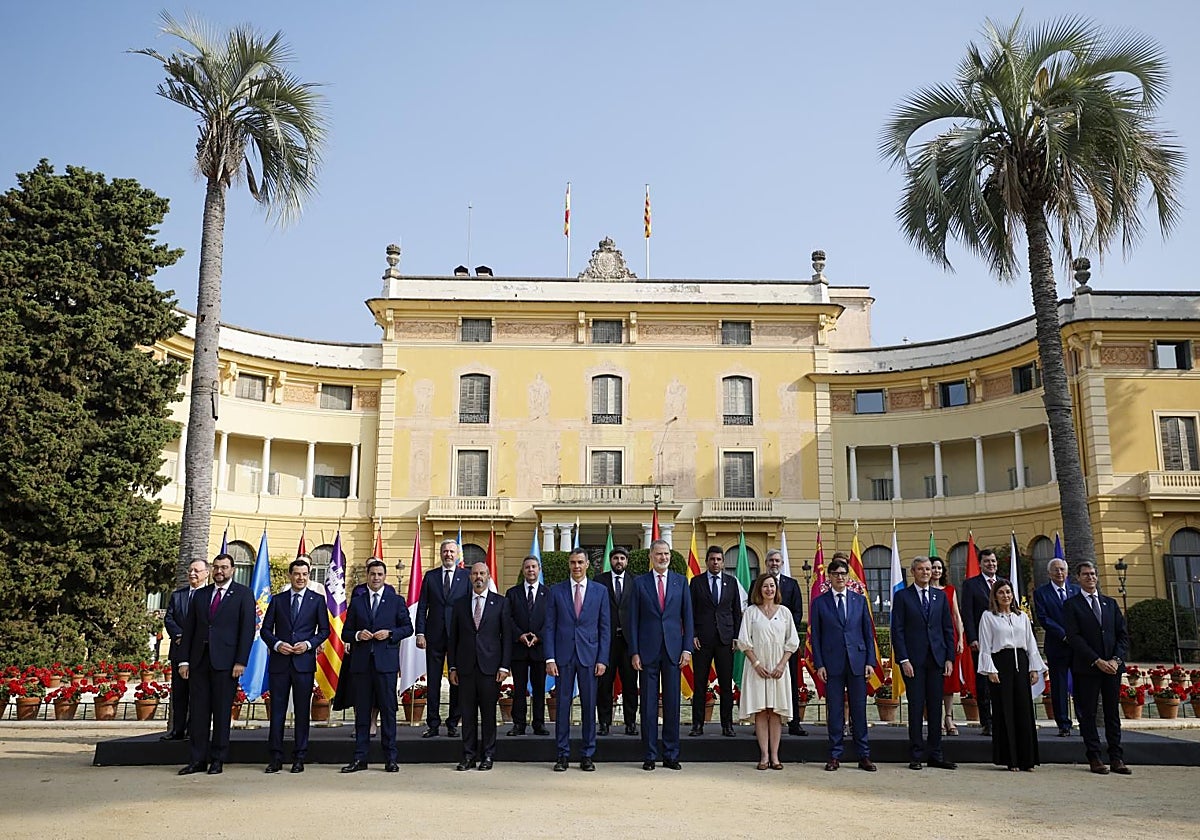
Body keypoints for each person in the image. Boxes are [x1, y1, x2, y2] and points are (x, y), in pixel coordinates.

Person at [177, 553, 256, 775]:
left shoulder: (243, 594)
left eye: (224, 567)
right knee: (199, 713)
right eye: (216, 567)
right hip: (199, 662)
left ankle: (218, 759)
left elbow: (247, 630)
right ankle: (196, 760)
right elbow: (190, 629)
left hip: (227, 663)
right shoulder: (201, 595)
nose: (219, 571)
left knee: (222, 713)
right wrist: (184, 660)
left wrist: (241, 661)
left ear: (232, 570)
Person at [340, 559, 414, 773]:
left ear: (385, 576)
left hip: (386, 665)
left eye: (379, 574)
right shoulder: (358, 601)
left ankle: (390, 758)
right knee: (362, 712)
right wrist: (356, 635)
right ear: (367, 576)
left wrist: (390, 633)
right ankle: (359, 758)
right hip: (362, 664)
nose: (376, 578)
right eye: (372, 574)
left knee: (389, 712)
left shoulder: (395, 601)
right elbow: (345, 632)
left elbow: (407, 628)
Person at [259, 556, 330, 774]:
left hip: (303, 664)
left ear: (309, 577)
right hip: (280, 664)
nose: (300, 578)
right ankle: (275, 757)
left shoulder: (317, 600)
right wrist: (278, 644)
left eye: (304, 574)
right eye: (297, 574)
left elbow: (325, 631)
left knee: (301, 712)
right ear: (290, 576)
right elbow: (265, 630)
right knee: (278, 712)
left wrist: (309, 644)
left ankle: (299, 757)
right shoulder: (278, 600)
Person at [629, 539, 693, 771]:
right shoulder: (639, 583)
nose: (663, 558)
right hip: (647, 652)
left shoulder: (681, 582)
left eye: (666, 554)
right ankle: (649, 755)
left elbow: (688, 618)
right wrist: (634, 651)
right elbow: (632, 621)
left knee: (672, 704)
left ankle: (671, 754)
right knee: (647, 705)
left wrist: (687, 649)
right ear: (651, 556)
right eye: (658, 554)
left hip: (674, 651)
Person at [544, 548, 611, 771]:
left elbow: (605, 628)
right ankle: (562, 754)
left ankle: (587, 755)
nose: (577, 566)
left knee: (589, 706)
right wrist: (550, 658)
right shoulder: (556, 591)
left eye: (580, 562)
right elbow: (550, 626)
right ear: (569, 565)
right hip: (563, 656)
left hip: (590, 656)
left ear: (587, 565)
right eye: (573, 562)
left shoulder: (600, 591)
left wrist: (602, 659)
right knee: (562, 706)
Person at [809, 557, 877, 772]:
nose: (840, 577)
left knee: (859, 711)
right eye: (836, 574)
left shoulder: (859, 600)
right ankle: (835, 755)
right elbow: (816, 638)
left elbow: (868, 633)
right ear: (829, 577)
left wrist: (870, 662)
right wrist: (819, 664)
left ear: (848, 577)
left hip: (857, 662)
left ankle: (863, 755)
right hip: (832, 664)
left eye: (843, 574)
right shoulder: (820, 602)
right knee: (835, 712)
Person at [1064, 560, 1131, 775]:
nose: (1090, 578)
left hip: (1112, 668)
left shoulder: (1110, 604)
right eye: (1085, 574)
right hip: (1088, 668)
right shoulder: (1072, 605)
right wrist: (1096, 660)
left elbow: (1122, 636)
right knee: (1089, 713)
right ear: (1077, 578)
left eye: (1093, 574)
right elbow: (1074, 638)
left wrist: (1115, 660)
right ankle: (1094, 756)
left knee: (1112, 713)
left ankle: (1116, 757)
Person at [891, 555, 956, 771]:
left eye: (928, 569)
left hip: (937, 659)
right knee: (916, 707)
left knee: (936, 707)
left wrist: (949, 658)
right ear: (913, 572)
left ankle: (936, 753)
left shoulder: (940, 596)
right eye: (921, 569)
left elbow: (948, 629)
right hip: (913, 661)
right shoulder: (902, 597)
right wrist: (903, 659)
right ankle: (916, 754)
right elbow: (897, 631)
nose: (926, 573)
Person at [448, 562, 512, 771]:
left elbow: (506, 638)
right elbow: (453, 638)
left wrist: (504, 667)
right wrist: (453, 667)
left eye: (482, 573)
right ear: (470, 577)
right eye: (474, 573)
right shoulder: (459, 604)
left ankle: (488, 755)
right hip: (466, 668)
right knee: (467, 715)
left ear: (488, 576)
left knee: (488, 714)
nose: (478, 577)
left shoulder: (500, 603)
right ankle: (468, 756)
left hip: (490, 669)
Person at [977, 578, 1044, 772]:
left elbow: (1031, 644)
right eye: (1001, 592)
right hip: (1001, 664)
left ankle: (1027, 759)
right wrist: (990, 669)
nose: (1005, 595)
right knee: (1004, 710)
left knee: (1024, 709)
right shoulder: (988, 616)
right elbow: (985, 646)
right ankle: (1011, 759)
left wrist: (1034, 668)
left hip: (1021, 663)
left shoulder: (1022, 617)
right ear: (995, 596)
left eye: (1008, 592)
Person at [736, 573, 801, 770]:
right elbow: (744, 641)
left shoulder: (785, 613)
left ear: (776, 589)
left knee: (775, 712)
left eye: (772, 586)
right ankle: (764, 756)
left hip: (778, 669)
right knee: (762, 711)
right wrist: (756, 664)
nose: (769, 589)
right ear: (759, 589)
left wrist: (782, 665)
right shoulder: (750, 613)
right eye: (765, 586)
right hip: (757, 668)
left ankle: (775, 756)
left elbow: (792, 642)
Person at [415, 539, 470, 738]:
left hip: (458, 637)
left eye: (451, 552)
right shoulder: (430, 577)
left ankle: (453, 722)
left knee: (457, 680)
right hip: (434, 636)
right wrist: (419, 633)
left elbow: (471, 607)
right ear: (440, 554)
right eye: (445, 551)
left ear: (457, 556)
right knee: (434, 681)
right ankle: (433, 723)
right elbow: (422, 607)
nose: (448, 554)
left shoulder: (466, 577)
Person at [689, 545, 743, 737]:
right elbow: (690, 612)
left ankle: (727, 725)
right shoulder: (696, 582)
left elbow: (736, 611)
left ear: (723, 562)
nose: (715, 562)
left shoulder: (731, 582)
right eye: (712, 559)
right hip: (702, 641)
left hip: (725, 640)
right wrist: (692, 635)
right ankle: (697, 724)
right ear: (707, 561)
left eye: (719, 559)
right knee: (700, 684)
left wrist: (737, 636)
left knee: (726, 685)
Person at [161, 557, 208, 741]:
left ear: (206, 573)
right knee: (179, 694)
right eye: (190, 570)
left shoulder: (210, 596)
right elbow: (169, 618)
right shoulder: (178, 595)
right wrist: (180, 636)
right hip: (179, 650)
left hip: (201, 653)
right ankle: (177, 730)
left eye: (197, 570)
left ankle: (194, 730)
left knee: (198, 694)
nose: (192, 574)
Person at [1033, 558, 1080, 736]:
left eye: (1062, 570)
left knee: (1081, 686)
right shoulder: (1041, 593)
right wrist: (1064, 635)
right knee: (1059, 687)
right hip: (1056, 646)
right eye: (1056, 570)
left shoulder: (1076, 591)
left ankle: (1084, 721)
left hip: (1077, 647)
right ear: (1049, 573)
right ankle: (1063, 724)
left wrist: (1076, 637)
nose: (1059, 573)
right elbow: (1044, 618)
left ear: (1067, 573)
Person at [595, 545, 639, 735]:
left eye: (622, 558)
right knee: (605, 684)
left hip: (629, 642)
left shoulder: (635, 582)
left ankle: (630, 722)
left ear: (626, 562)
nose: (619, 561)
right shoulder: (599, 581)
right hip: (607, 641)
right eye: (615, 558)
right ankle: (604, 723)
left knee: (630, 684)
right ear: (610, 561)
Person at [504, 555, 549, 736]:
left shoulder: (548, 593)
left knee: (539, 688)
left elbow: (551, 620)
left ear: (539, 570)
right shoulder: (512, 593)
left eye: (534, 567)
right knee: (519, 688)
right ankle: (519, 724)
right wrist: (519, 635)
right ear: (523, 571)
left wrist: (539, 636)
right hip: (519, 648)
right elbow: (508, 619)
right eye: (527, 567)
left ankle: (539, 723)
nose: (531, 570)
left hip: (539, 648)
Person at [766, 549, 807, 736]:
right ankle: (764, 724)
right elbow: (753, 610)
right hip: (764, 646)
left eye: (777, 560)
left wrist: (784, 634)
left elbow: (797, 612)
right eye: (771, 560)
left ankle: (794, 723)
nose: (774, 563)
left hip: (786, 646)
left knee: (791, 682)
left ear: (782, 563)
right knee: (765, 683)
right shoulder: (758, 584)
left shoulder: (792, 584)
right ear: (766, 563)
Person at [960, 548, 999, 735]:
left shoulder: (1003, 583)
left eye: (993, 561)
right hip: (981, 642)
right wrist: (972, 638)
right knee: (983, 683)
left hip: (1002, 641)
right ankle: (987, 722)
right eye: (987, 562)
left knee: (1001, 681)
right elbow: (967, 613)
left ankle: (1002, 719)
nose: (991, 564)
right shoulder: (971, 585)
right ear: (980, 564)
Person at [930, 556, 965, 736]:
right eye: (933, 568)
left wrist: (960, 639)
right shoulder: (925, 591)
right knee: (935, 681)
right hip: (932, 640)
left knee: (949, 682)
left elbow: (957, 616)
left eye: (939, 568)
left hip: (949, 639)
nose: (936, 571)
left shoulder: (950, 590)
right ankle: (936, 719)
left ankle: (949, 717)